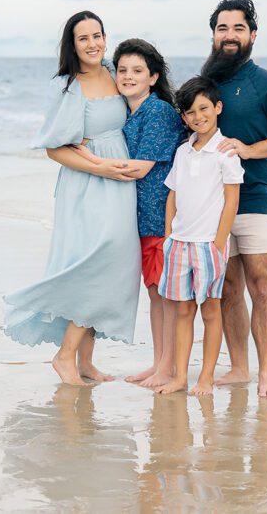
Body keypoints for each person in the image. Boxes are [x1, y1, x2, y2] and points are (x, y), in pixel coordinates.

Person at [3, 11, 141, 387]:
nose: (93, 44)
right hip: (87, 184)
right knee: (94, 262)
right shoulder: (68, 86)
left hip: (119, 179)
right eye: (84, 38)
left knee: (111, 263)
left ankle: (86, 362)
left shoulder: (115, 72)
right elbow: (54, 149)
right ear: (73, 45)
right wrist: (101, 167)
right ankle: (64, 356)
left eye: (98, 35)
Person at [201, 0, 267, 398]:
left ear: (253, 35)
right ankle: (239, 368)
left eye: (238, 28)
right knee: (228, 287)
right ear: (214, 35)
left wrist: (249, 149)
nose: (230, 35)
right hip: (212, 202)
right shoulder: (205, 85)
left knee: (262, 285)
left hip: (259, 196)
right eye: (222, 28)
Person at [71, 39, 184, 388]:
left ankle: (167, 367)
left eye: (137, 70)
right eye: (122, 70)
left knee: (165, 295)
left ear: (153, 77)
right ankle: (159, 363)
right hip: (138, 219)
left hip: (162, 218)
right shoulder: (127, 112)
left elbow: (140, 168)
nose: (128, 76)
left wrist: (91, 159)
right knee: (155, 293)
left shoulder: (158, 111)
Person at [155, 77, 243, 396]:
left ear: (218, 107)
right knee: (182, 311)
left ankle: (205, 378)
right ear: (184, 117)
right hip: (179, 244)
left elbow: (232, 201)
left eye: (204, 108)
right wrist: (169, 236)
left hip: (208, 245)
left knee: (210, 310)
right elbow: (173, 194)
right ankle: (180, 377)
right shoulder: (183, 152)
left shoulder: (226, 152)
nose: (198, 117)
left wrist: (219, 243)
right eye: (190, 112)